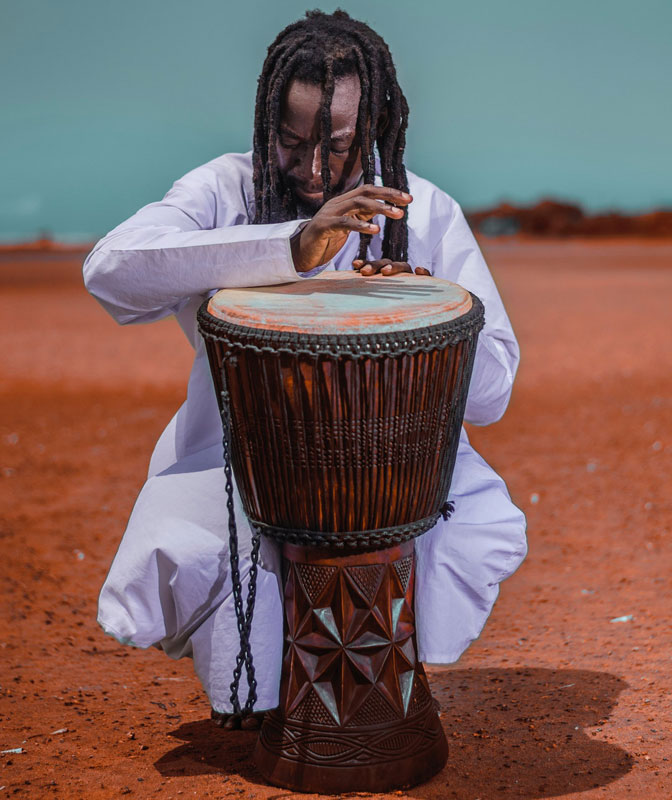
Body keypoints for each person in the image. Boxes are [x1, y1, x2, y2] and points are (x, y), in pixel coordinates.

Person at [84, 9, 527, 730]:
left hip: (399, 463)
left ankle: (376, 693)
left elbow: (494, 393)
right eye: (292, 144)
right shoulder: (226, 190)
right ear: (267, 127)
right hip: (239, 455)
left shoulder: (423, 211)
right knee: (198, 551)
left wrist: (423, 314)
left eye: (340, 147)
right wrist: (291, 246)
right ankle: (270, 707)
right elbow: (111, 272)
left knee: (464, 533)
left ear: (377, 128)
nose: (315, 170)